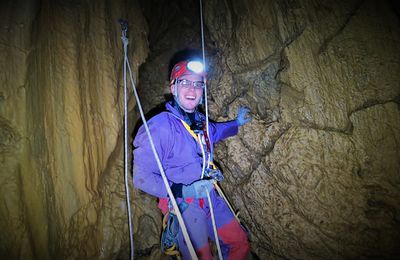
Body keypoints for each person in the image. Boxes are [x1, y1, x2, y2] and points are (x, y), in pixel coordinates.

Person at [133, 57, 252, 259]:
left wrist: (236, 123)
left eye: (197, 84)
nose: (192, 89)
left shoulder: (200, 122)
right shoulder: (160, 127)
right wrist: (184, 189)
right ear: (173, 88)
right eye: (185, 82)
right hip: (184, 203)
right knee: (200, 256)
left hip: (210, 197)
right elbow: (141, 177)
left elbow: (216, 131)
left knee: (239, 243)